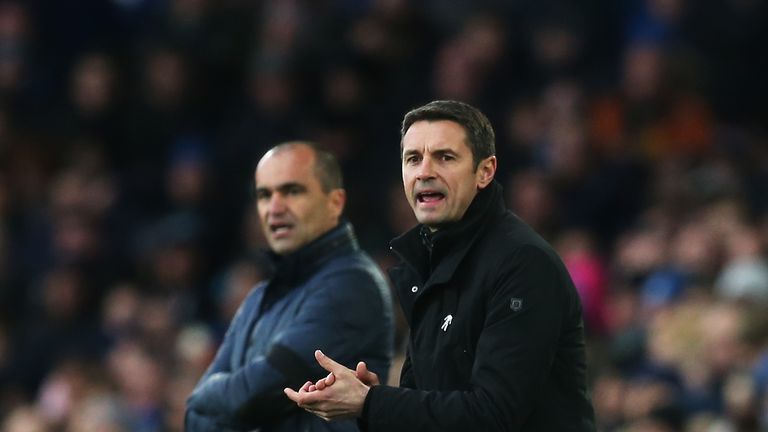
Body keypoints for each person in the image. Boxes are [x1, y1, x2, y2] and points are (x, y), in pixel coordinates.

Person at [285, 101, 596, 431]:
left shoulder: (522, 263)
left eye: (445, 157)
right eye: (413, 159)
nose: (424, 172)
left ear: (485, 171)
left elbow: (495, 414)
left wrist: (372, 402)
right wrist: (370, 399)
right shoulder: (428, 264)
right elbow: (433, 411)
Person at [185, 142, 394, 432]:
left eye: (292, 191)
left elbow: (251, 397)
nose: (275, 208)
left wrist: (206, 396)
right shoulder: (258, 298)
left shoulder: (352, 285)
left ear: (335, 202)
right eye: (264, 195)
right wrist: (206, 401)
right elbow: (194, 418)